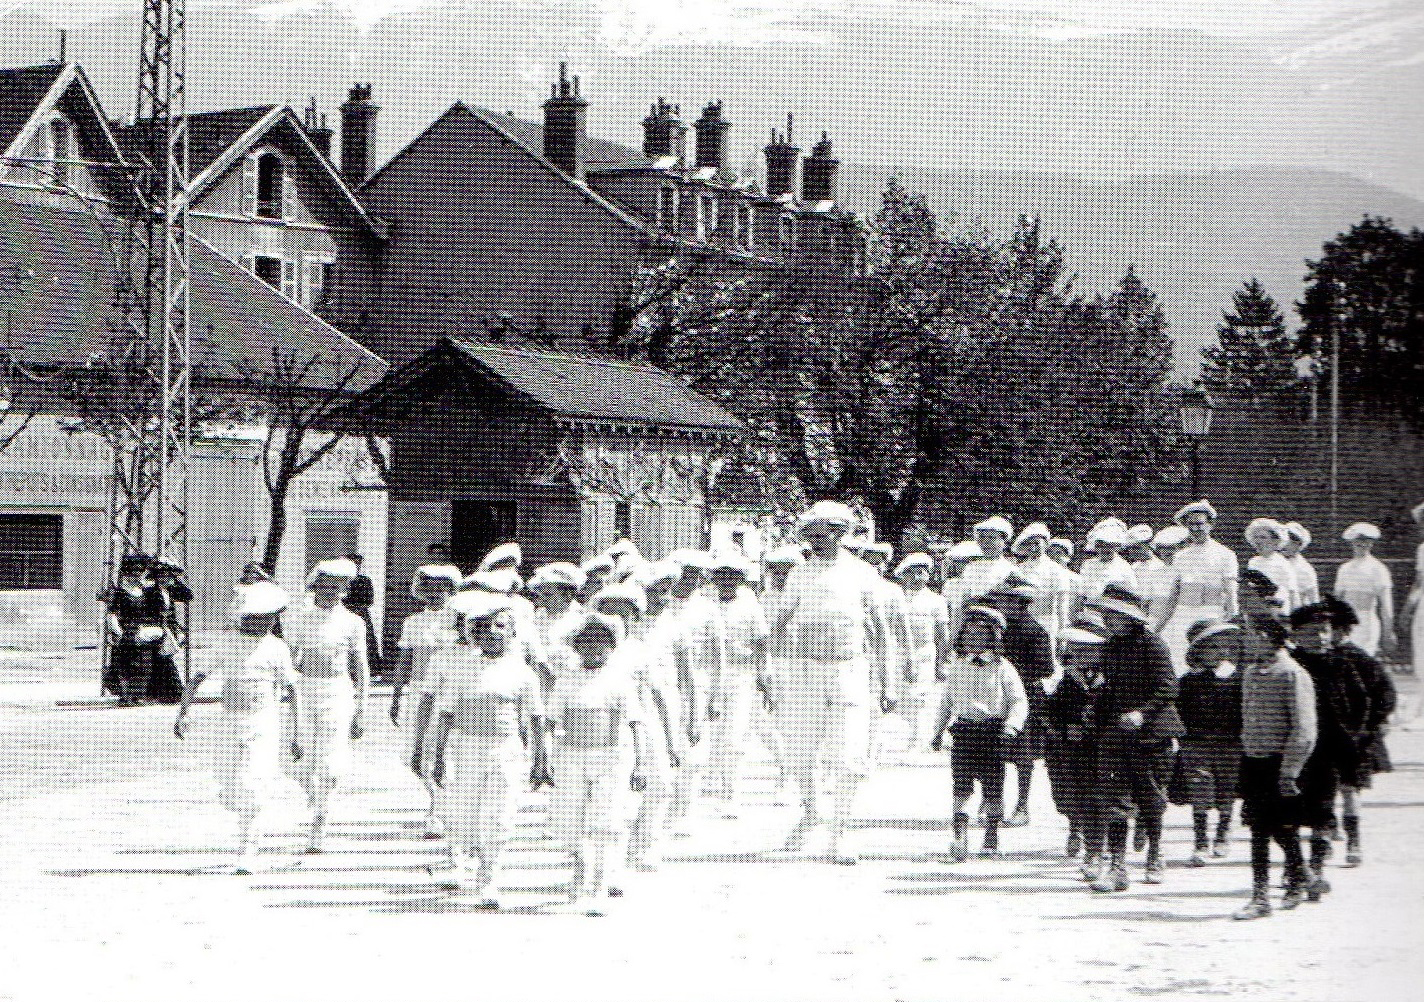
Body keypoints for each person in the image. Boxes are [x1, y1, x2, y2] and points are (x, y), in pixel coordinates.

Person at [767, 500, 892, 865]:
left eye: (821, 535)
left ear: (841, 534)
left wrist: (888, 683)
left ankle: (839, 835)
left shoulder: (863, 574)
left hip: (848, 671)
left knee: (848, 757)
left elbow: (881, 633)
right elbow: (777, 626)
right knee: (800, 754)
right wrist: (770, 671)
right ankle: (809, 815)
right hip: (803, 672)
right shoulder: (799, 573)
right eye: (809, 535)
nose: (814, 541)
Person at [419, 591, 548, 906]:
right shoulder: (462, 670)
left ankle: (489, 879)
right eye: (482, 628)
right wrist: (435, 758)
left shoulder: (522, 673)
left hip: (506, 751)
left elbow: (535, 717)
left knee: (499, 816)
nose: (491, 634)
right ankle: (464, 864)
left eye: (499, 627)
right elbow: (446, 717)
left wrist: (540, 760)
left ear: (511, 631)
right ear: (472, 634)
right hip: (465, 750)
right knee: (466, 817)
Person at [174, 580, 297, 875]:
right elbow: (195, 680)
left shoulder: (277, 648)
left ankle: (248, 848)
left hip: (263, 721)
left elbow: (292, 691)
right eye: (255, 617)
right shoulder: (226, 643)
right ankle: (246, 825)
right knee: (231, 786)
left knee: (254, 781)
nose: (262, 623)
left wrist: (296, 733)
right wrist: (184, 713)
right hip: (228, 721)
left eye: (268, 618)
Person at [543, 612, 652, 916]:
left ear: (612, 645)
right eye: (586, 642)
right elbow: (550, 722)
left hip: (611, 756)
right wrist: (545, 757)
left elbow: (635, 724)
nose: (593, 648)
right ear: (576, 646)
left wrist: (640, 764)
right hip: (571, 756)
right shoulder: (566, 680)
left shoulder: (620, 680)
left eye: (600, 641)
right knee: (570, 818)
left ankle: (599, 886)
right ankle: (579, 877)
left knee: (606, 820)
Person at [1086, 585, 1183, 892]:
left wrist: (1143, 712)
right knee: (1114, 799)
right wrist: (1095, 707)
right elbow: (1108, 687)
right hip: (1115, 732)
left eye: (1114, 615)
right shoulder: (1110, 646)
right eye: (1106, 615)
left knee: (1151, 797)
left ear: (1130, 617)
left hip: (1151, 733)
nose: (1108, 620)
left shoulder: (1152, 644)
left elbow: (1168, 687)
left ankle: (1155, 851)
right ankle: (1117, 864)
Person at [1232, 606, 1318, 920]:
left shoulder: (1292, 673)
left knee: (1276, 827)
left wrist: (1290, 770)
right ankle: (1302, 875)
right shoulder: (1252, 671)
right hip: (1254, 762)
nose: (1243, 641)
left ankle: (1262, 897)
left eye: (1248, 634)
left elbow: (1304, 728)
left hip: (1281, 765)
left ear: (1266, 637)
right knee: (1263, 827)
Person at [1287, 598, 1373, 896]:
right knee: (1292, 809)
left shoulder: (1342, 664)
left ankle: (1317, 868)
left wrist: (1352, 734)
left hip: (1330, 750)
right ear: (1296, 635)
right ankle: (1295, 868)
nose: (1321, 637)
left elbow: (1362, 702)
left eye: (1325, 631)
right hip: (1295, 751)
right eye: (1313, 631)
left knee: (1323, 808)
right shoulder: (1291, 665)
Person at [929, 605, 1028, 861]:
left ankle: (991, 834)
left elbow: (1018, 700)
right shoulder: (958, 666)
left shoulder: (1002, 667)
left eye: (979, 635)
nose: (972, 640)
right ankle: (959, 838)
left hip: (993, 732)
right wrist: (938, 731)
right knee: (961, 786)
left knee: (993, 785)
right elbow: (947, 701)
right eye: (968, 634)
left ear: (992, 638)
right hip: (963, 732)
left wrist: (1012, 725)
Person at [287, 558, 369, 853]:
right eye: (325, 587)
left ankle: (320, 820)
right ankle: (314, 794)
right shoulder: (298, 618)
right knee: (298, 762)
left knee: (331, 762)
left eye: (338, 588)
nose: (331, 593)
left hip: (337, 691)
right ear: (314, 587)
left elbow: (361, 667)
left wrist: (362, 707)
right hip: (304, 690)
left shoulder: (353, 622)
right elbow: (290, 660)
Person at [1320, 597, 1396, 865]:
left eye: (1329, 629)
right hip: (1325, 736)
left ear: (1342, 631)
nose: (1324, 635)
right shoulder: (1318, 658)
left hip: (1354, 738)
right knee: (1325, 790)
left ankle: (1354, 840)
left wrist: (1373, 725)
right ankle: (1327, 836)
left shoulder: (1361, 659)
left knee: (1350, 789)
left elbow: (1385, 695)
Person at [389, 563, 463, 837]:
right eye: (428, 588)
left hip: (448, 692)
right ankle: (438, 797)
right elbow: (405, 661)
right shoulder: (412, 622)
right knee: (414, 756)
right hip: (418, 692)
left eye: (441, 588)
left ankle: (438, 809)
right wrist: (397, 695)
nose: (434, 594)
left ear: (451, 590)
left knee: (440, 751)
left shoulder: (459, 621)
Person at [623, 561, 687, 871]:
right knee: (626, 785)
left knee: (661, 783)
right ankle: (620, 848)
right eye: (655, 591)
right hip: (617, 714)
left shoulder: (673, 624)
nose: (662, 597)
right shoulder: (622, 630)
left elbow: (672, 683)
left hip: (654, 711)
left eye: (667, 591)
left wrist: (677, 731)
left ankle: (646, 846)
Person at [980, 575, 1055, 828]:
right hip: (992, 694)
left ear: (1020, 603)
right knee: (989, 750)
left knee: (1023, 755)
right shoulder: (993, 629)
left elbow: (1045, 668)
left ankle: (1022, 805)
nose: (999, 605)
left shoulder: (1035, 631)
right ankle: (990, 801)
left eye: (1005, 601)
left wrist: (1011, 675)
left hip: (1025, 697)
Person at [705, 553, 770, 814]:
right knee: (710, 735)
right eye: (721, 575)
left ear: (741, 579)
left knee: (734, 735)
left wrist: (763, 676)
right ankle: (705, 788)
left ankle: (731, 793)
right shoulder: (706, 602)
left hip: (740, 674)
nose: (726, 581)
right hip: (708, 674)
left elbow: (761, 642)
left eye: (733, 576)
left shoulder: (749, 604)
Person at [664, 549, 724, 833]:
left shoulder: (708, 609)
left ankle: (682, 813)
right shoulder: (661, 603)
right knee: (666, 750)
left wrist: (714, 696)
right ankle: (661, 811)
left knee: (694, 752)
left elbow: (718, 656)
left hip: (697, 683)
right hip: (665, 682)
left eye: (697, 576)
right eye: (686, 574)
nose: (690, 581)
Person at [1177, 619, 1245, 866]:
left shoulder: (1237, 678)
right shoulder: (1188, 681)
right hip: (1196, 744)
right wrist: (1182, 740)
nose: (1222, 652)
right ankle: (1200, 841)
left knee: (1227, 790)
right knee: (1200, 792)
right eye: (1214, 647)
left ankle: (1223, 833)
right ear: (1199, 651)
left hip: (1230, 744)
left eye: (1225, 647)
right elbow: (1180, 711)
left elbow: (1243, 712)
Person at [1044, 618, 1109, 869]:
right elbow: (1051, 712)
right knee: (1072, 794)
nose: (1080, 655)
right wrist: (1063, 728)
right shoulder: (1067, 681)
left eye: (1087, 649)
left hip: (1103, 747)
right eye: (1075, 649)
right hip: (1072, 749)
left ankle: (1095, 847)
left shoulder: (1110, 679)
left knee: (1099, 796)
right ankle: (1076, 827)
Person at [1154, 500, 1240, 675]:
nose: (1195, 529)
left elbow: (1230, 591)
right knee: (1181, 660)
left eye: (1199, 524)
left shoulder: (1225, 554)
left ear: (1210, 524)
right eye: (1191, 525)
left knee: (1212, 659)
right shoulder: (1181, 556)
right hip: (1183, 615)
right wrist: (1159, 626)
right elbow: (1174, 596)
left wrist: (1230, 614)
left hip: (1210, 613)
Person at [896, 552, 952, 754]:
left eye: (922, 573)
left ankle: (916, 743)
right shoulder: (895, 597)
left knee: (920, 698)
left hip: (924, 654)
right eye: (913, 573)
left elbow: (942, 635)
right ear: (903, 574)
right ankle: (895, 740)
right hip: (897, 653)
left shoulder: (936, 600)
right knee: (898, 697)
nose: (918, 577)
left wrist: (941, 663)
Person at [104, 553, 169, 706]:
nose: (136, 575)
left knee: (144, 664)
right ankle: (126, 696)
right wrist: (117, 631)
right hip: (127, 632)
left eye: (140, 572)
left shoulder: (148, 592)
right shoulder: (120, 592)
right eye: (133, 572)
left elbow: (163, 606)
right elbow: (112, 613)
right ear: (126, 573)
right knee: (126, 665)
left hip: (145, 632)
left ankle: (139, 695)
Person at [1333, 523, 1397, 658]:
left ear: (1372, 543)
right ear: (1352, 542)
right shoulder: (1344, 569)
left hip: (1367, 622)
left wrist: (1388, 631)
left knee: (1364, 661)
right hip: (1347, 623)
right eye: (1358, 540)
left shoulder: (1378, 569)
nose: (1362, 544)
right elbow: (1337, 601)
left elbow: (1386, 605)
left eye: (1366, 540)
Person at [944, 517, 1017, 635]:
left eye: (992, 538)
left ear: (1004, 542)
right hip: (973, 631)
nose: (986, 542)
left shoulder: (1011, 570)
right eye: (982, 538)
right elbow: (960, 605)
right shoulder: (970, 568)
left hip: (1002, 630)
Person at [527, 562, 587, 694]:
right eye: (540, 594)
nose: (542, 599)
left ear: (568, 596)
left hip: (568, 685)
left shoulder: (580, 621)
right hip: (538, 683)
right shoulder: (537, 617)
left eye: (548, 595)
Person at [1013, 522, 1073, 638]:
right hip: (1021, 625)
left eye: (1037, 543)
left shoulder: (1056, 570)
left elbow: (1062, 606)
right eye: (1029, 544)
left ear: (1045, 544)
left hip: (1046, 624)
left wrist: (1062, 635)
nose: (1033, 548)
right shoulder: (1018, 569)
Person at [1075, 519, 1138, 616]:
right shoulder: (1088, 564)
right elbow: (1081, 594)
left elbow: (1132, 596)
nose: (1104, 549)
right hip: (1090, 613)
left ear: (1116, 546)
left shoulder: (1124, 567)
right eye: (1101, 545)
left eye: (1109, 546)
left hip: (1114, 616)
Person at [342, 553, 384, 681]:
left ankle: (372, 671)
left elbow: (369, 600)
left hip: (361, 614)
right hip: (346, 613)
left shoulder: (365, 580)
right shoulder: (344, 580)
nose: (356, 566)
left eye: (358, 564)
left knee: (367, 642)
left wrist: (357, 607)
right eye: (353, 563)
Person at [1245, 519, 1300, 614]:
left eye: (1263, 537)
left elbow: (1292, 593)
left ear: (1275, 541)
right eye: (1256, 537)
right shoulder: (1253, 562)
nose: (1258, 541)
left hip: (1278, 613)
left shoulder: (1283, 564)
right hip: (1257, 611)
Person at [1282, 523, 1321, 608]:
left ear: (1299, 546)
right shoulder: (1275, 561)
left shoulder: (1305, 569)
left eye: (1291, 542)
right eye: (1284, 541)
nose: (1285, 545)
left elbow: (1314, 601)